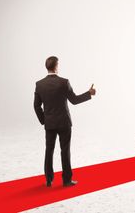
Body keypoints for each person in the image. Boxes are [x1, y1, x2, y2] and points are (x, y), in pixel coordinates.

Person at [33, 56, 96, 187]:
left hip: (50, 123)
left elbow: (36, 106)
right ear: (56, 66)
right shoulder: (64, 82)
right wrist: (89, 93)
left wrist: (44, 120)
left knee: (49, 150)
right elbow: (74, 100)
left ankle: (48, 180)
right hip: (64, 123)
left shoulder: (39, 84)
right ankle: (66, 180)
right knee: (65, 150)